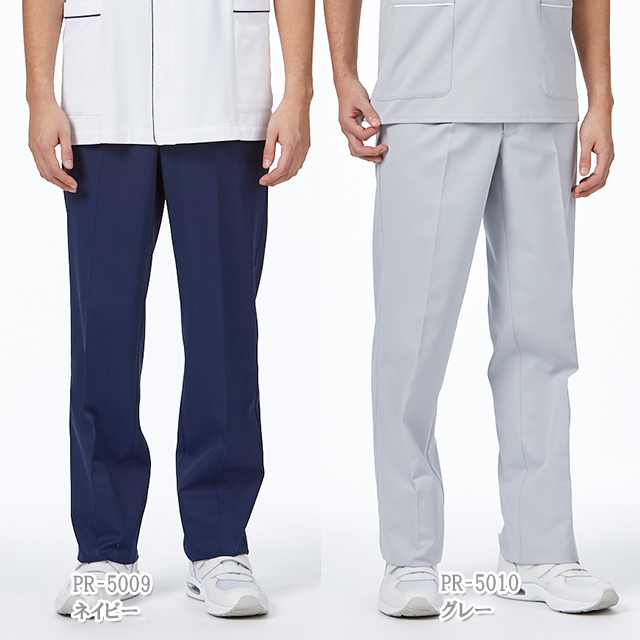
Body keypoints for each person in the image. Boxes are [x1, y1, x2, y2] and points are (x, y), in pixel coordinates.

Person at [324, 0, 618, 616]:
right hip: (425, 97)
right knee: (411, 343)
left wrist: (601, 99)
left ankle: (542, 549)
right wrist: (343, 72)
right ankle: (408, 555)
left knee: (542, 340)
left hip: (541, 101)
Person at [23, 0, 314, 618]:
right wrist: (39, 96)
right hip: (103, 105)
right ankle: (105, 550)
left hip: (224, 99)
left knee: (223, 333)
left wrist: (298, 92)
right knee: (101, 335)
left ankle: (219, 544)